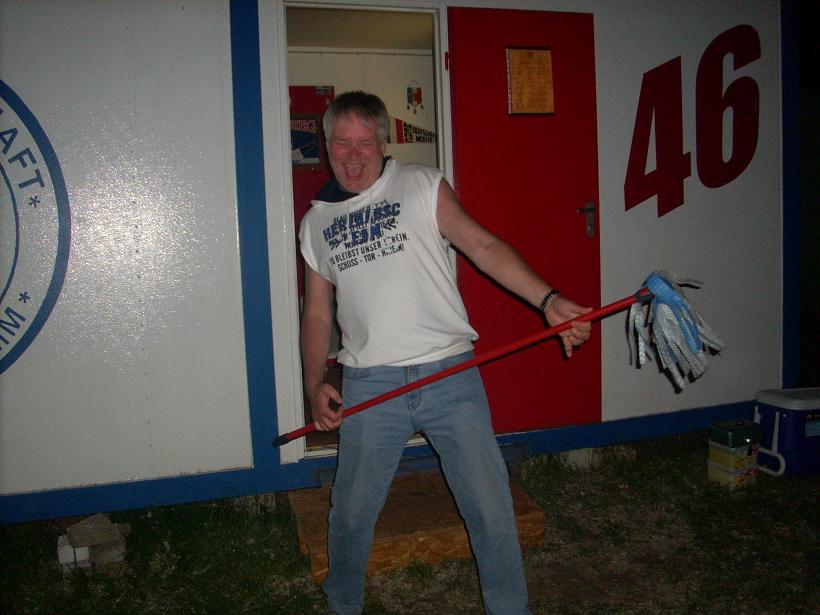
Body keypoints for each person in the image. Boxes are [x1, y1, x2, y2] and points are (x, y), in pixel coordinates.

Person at [299, 91, 592, 615]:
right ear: (326, 144)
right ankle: (342, 604)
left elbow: (483, 246)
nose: (353, 154)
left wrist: (547, 300)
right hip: (370, 383)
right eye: (342, 141)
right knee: (351, 512)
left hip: (449, 376)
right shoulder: (316, 222)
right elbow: (318, 314)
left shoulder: (421, 184)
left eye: (365, 141)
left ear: (382, 142)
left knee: (491, 509)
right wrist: (314, 381)